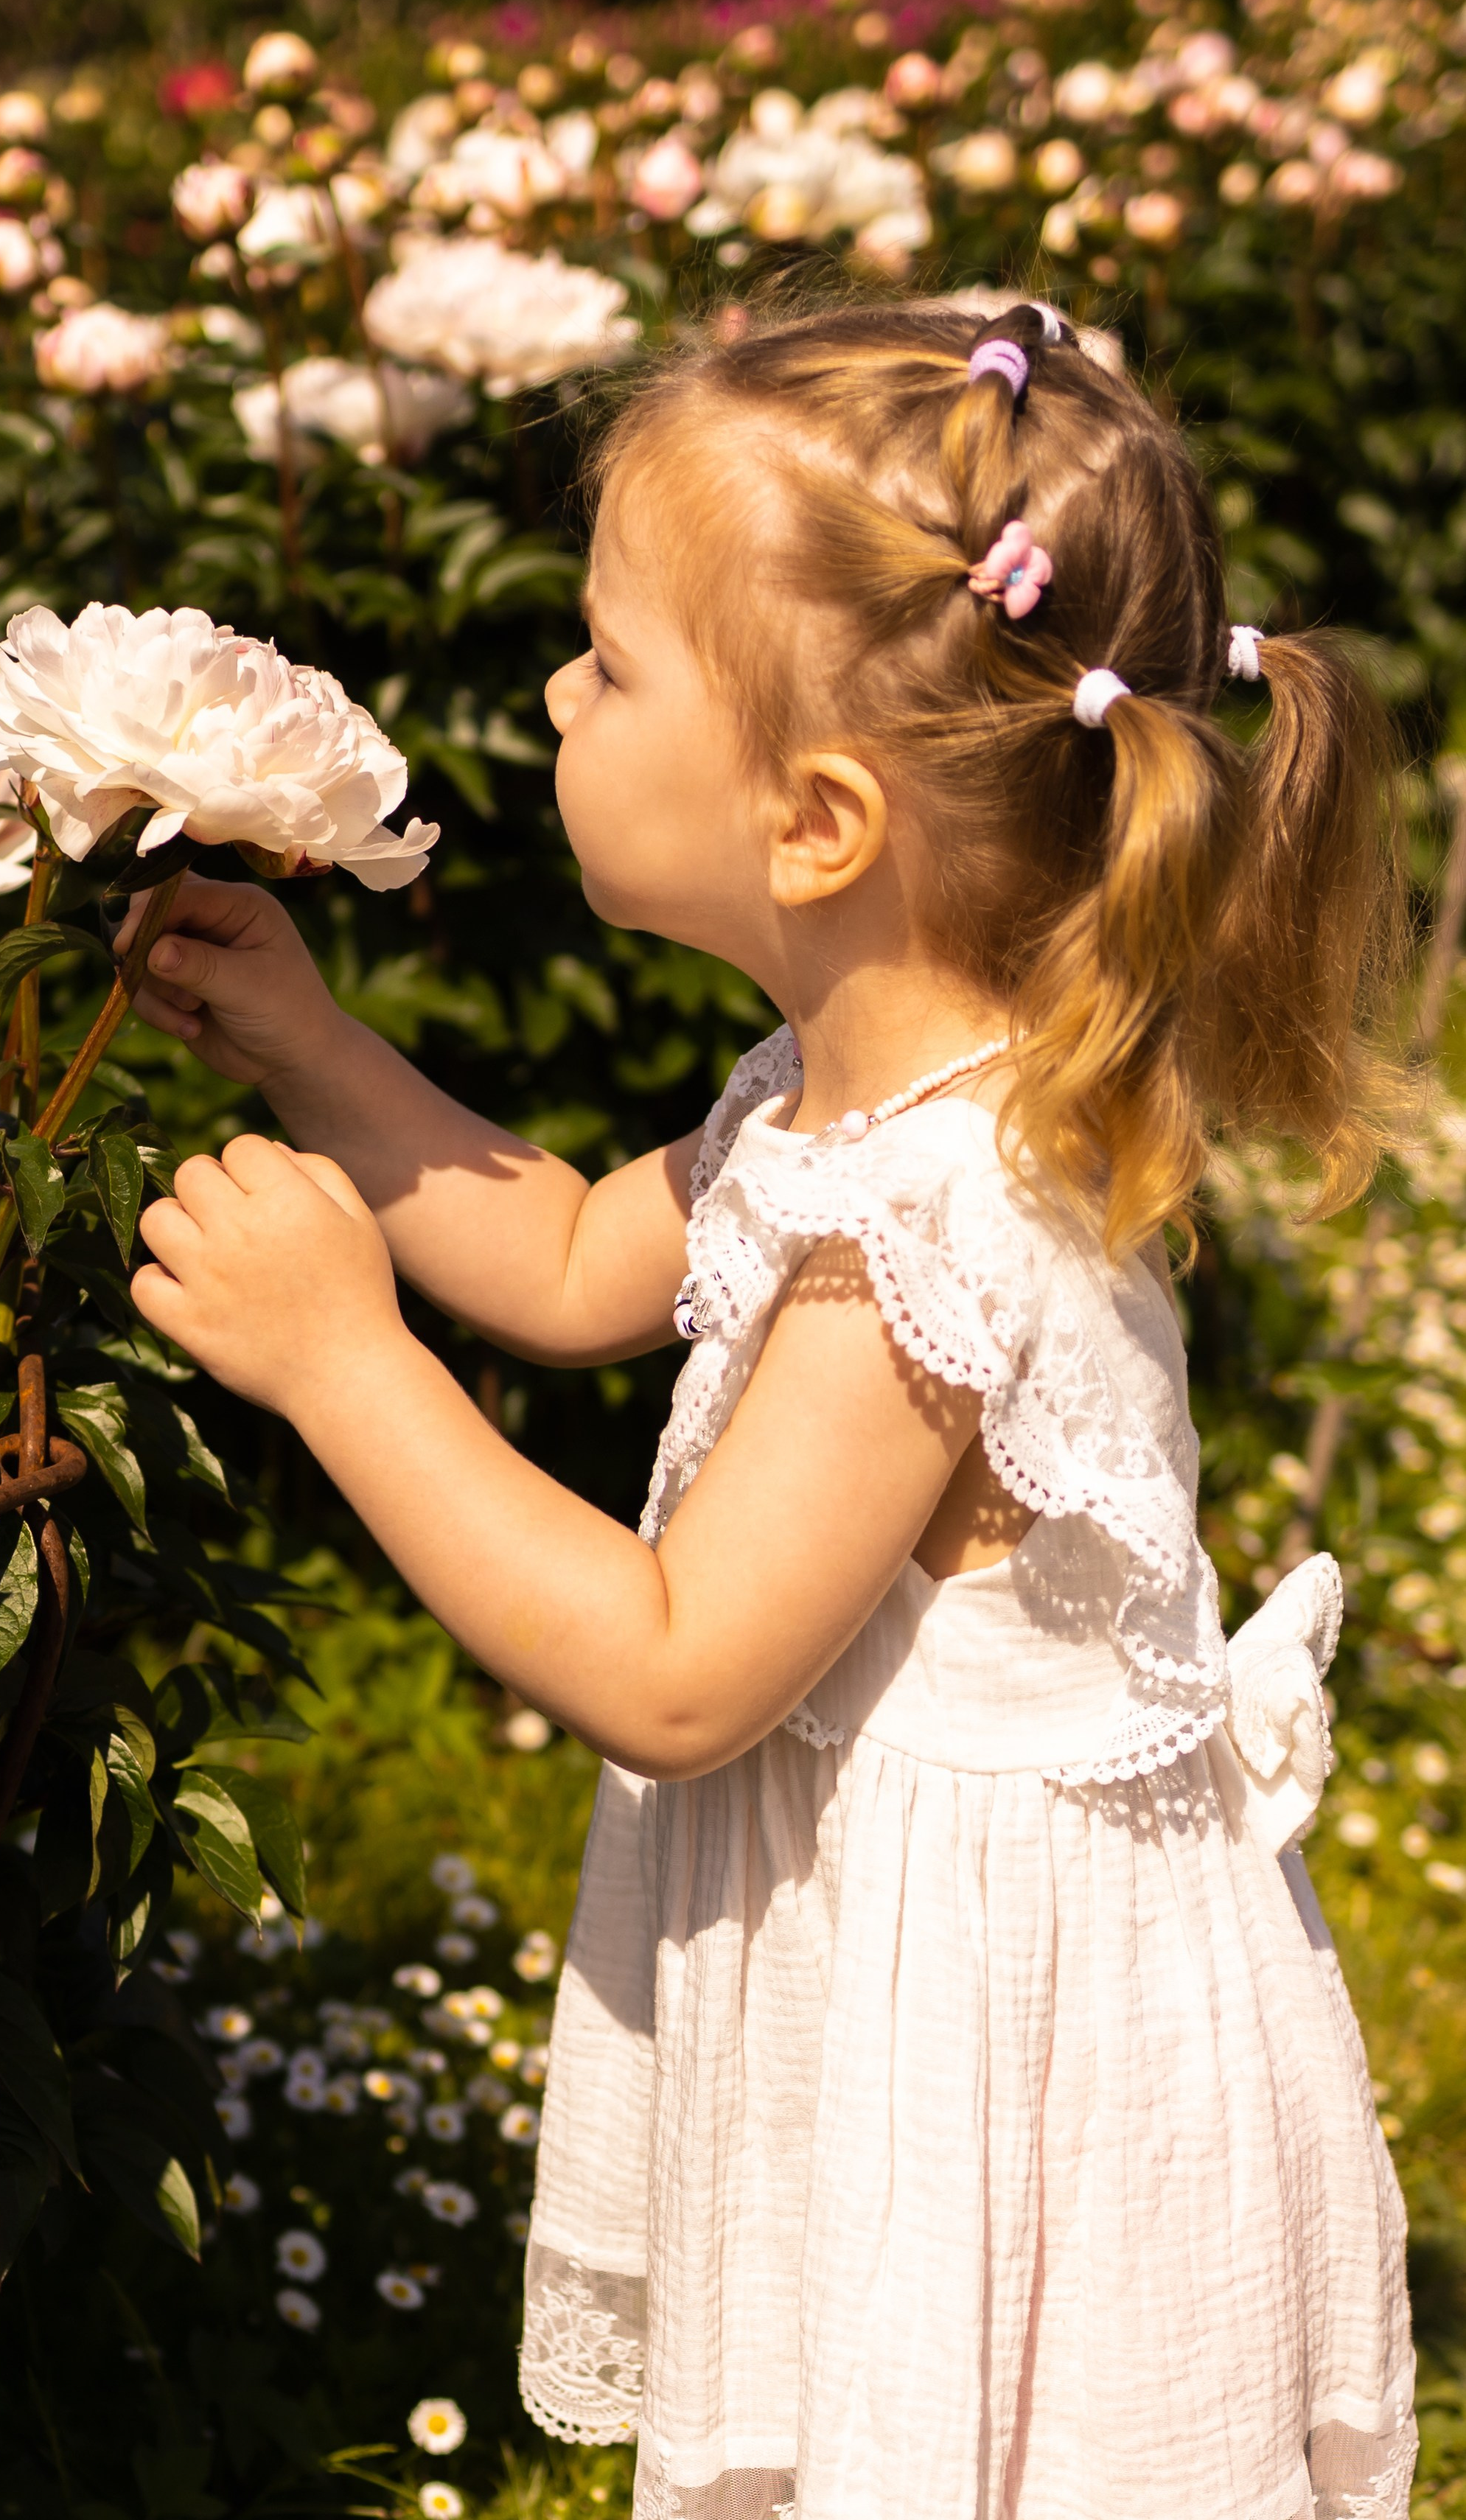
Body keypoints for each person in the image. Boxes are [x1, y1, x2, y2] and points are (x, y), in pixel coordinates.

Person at [124, 299, 1416, 2520]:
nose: (559, 695)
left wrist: (343, 1361)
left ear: (814, 823)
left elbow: (673, 1669)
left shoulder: (939, 1226)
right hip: (915, 1983)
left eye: (612, 666)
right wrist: (319, 1057)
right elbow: (564, 1262)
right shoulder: (841, 1106)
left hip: (989, 2060)